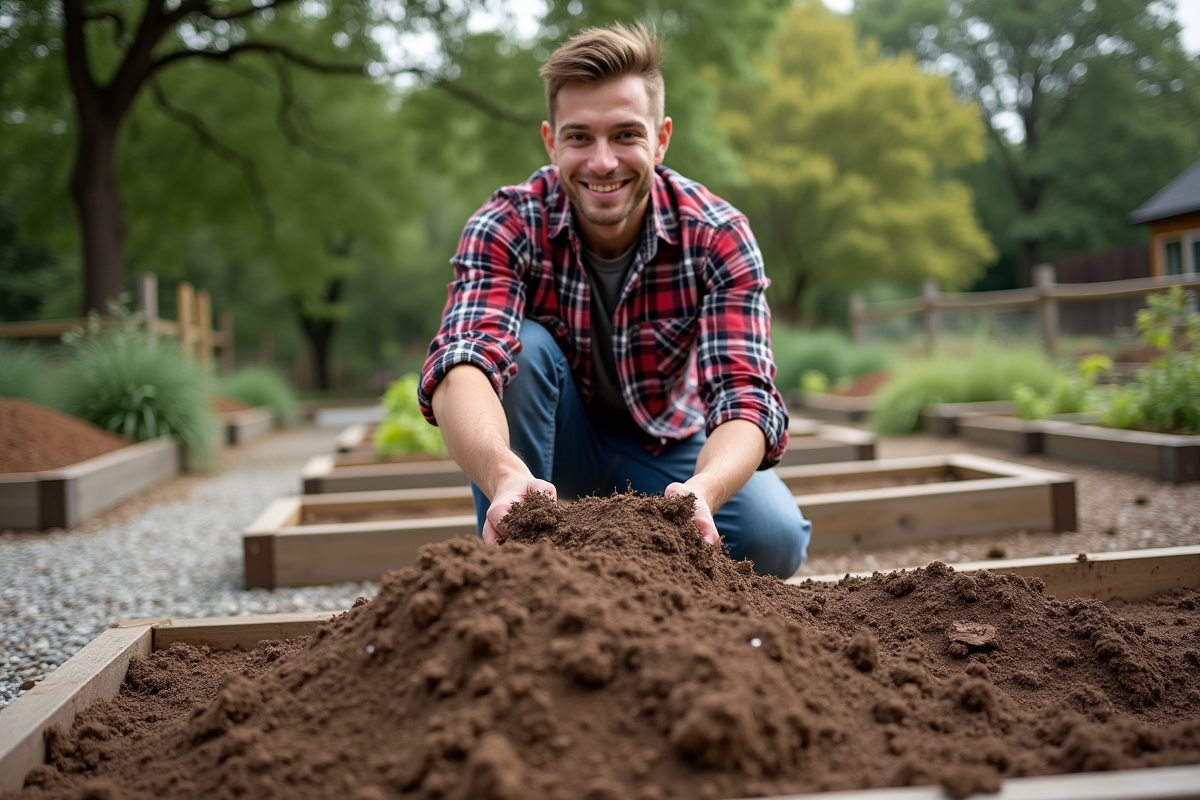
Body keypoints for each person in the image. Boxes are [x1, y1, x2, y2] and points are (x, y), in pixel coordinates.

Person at [417, 22, 811, 578]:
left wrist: (702, 489)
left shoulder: (717, 234)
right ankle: (516, 575)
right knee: (523, 350)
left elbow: (745, 395)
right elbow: (463, 362)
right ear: (551, 141)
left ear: (662, 137)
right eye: (580, 137)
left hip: (662, 450)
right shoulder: (504, 224)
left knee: (773, 539)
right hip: (545, 456)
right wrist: (506, 475)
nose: (603, 162)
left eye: (626, 134)